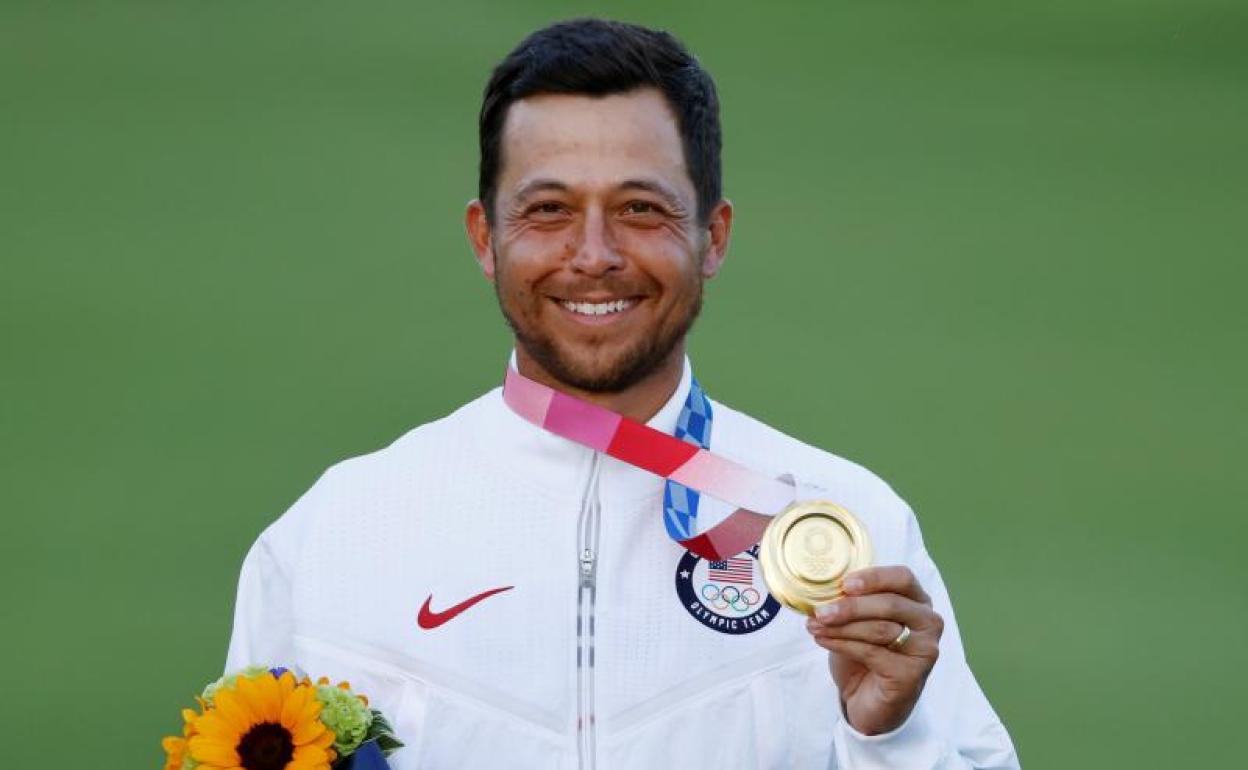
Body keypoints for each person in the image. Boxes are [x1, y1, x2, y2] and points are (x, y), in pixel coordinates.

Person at [226, 18, 1018, 769]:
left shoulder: (846, 527)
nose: (595, 254)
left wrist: (887, 739)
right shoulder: (335, 535)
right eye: (549, 210)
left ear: (714, 237)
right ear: (484, 238)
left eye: (641, 209)